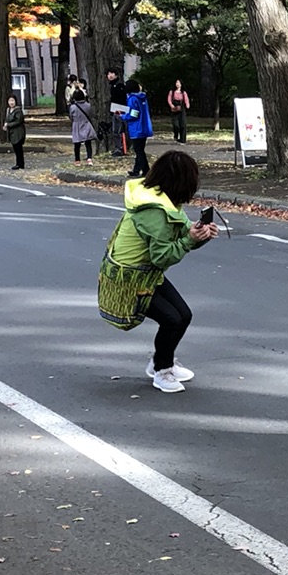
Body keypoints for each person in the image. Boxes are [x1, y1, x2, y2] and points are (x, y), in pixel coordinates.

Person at [106, 150, 218, 392]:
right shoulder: (154, 211)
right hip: (130, 277)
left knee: (183, 315)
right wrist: (190, 240)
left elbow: (182, 232)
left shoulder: (159, 198)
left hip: (147, 273)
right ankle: (162, 371)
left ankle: (161, 361)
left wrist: (200, 235)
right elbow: (162, 256)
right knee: (171, 319)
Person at [124, 76, 154, 178]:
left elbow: (133, 114)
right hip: (145, 127)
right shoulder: (142, 97)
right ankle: (136, 170)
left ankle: (146, 170)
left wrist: (122, 115)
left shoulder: (132, 99)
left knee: (139, 150)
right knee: (140, 149)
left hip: (136, 128)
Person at [70, 86, 98, 161]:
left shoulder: (73, 107)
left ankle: (77, 159)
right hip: (86, 124)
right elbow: (91, 115)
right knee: (88, 142)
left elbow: (71, 117)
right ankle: (89, 158)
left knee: (77, 144)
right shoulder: (88, 105)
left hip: (77, 125)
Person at [106, 70, 127, 156]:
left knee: (118, 130)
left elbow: (122, 99)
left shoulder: (119, 86)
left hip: (120, 111)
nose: (110, 75)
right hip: (114, 110)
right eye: (108, 74)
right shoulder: (111, 86)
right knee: (115, 131)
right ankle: (118, 147)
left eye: (112, 73)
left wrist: (120, 110)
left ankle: (121, 148)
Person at [3, 93, 27, 168]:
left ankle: (20, 164)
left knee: (18, 148)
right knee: (15, 148)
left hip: (18, 132)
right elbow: (7, 120)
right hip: (12, 132)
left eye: (13, 100)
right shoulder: (8, 110)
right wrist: (5, 125)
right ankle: (18, 163)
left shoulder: (18, 110)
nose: (11, 102)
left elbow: (18, 121)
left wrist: (8, 125)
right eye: (10, 101)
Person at [167, 77, 190, 142]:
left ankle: (182, 139)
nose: (177, 84)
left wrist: (187, 105)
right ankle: (176, 135)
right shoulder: (172, 92)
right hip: (174, 109)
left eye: (179, 83)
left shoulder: (183, 92)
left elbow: (186, 99)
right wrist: (172, 106)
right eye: (176, 82)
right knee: (176, 125)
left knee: (183, 124)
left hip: (182, 109)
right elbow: (169, 100)